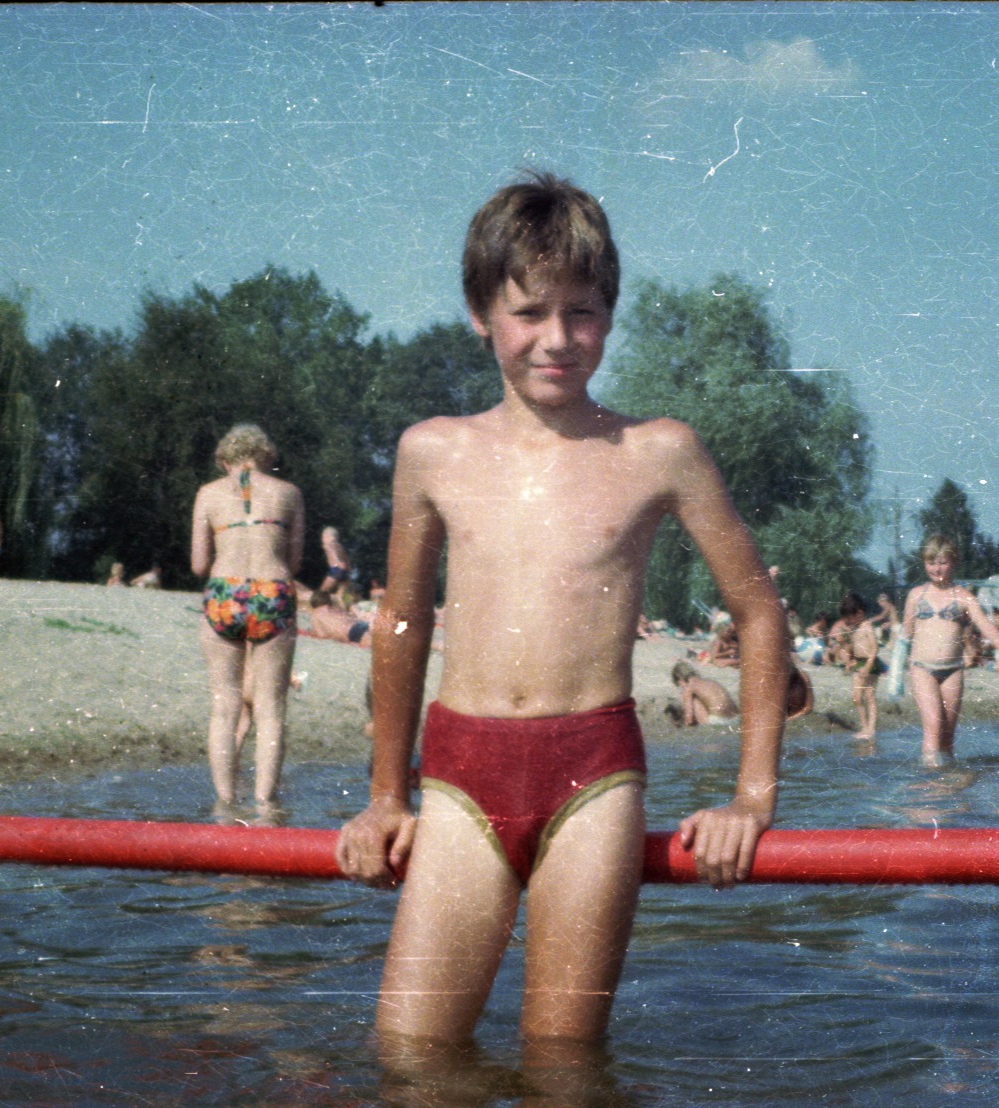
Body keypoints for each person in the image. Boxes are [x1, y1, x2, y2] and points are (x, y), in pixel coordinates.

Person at [335, 171, 789, 1048]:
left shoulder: (659, 451)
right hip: (460, 772)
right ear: (480, 312)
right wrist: (386, 795)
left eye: (581, 313)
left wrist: (751, 799)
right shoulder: (433, 453)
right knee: (408, 1058)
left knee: (562, 1066)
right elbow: (403, 622)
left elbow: (759, 613)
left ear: (610, 316)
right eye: (529, 312)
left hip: (594, 777)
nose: (557, 339)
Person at [191, 424, 305, 815]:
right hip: (273, 592)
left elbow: (198, 563)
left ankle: (224, 804)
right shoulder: (289, 493)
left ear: (225, 460)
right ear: (267, 458)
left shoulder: (207, 493)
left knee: (225, 706)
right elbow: (294, 562)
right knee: (272, 707)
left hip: (224, 594)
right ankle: (266, 806)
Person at [900, 535, 999, 766]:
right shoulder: (916, 595)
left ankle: (949, 788)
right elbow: (906, 632)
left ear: (953, 562)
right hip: (922, 668)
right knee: (933, 728)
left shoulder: (963, 597)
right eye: (931, 563)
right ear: (924, 563)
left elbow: (986, 626)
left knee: (948, 736)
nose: (937, 568)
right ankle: (929, 790)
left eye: (942, 562)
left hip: (952, 670)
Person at [837, 593, 883, 739]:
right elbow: (855, 648)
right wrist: (850, 661)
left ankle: (871, 729)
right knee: (857, 698)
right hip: (859, 662)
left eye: (849, 617)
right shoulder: (855, 628)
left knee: (869, 696)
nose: (848, 621)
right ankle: (864, 727)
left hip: (871, 663)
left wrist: (868, 665)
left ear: (860, 613)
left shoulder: (867, 626)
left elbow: (875, 648)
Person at [670, 661, 739, 726]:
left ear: (680, 679)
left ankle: (705, 724)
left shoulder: (688, 688)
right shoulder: (709, 682)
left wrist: (683, 722)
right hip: (736, 718)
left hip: (720, 721)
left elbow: (689, 719)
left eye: (679, 684)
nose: (681, 686)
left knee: (694, 700)